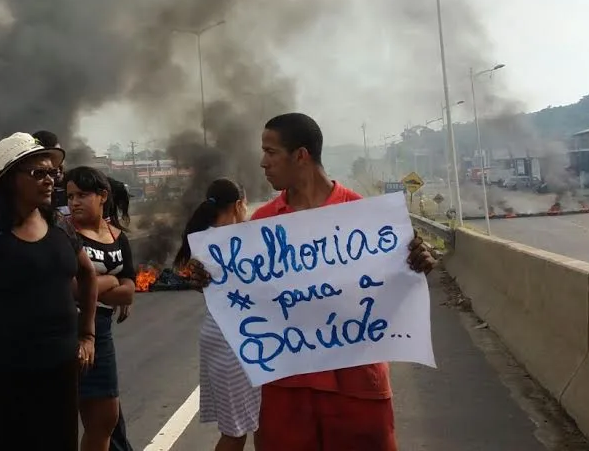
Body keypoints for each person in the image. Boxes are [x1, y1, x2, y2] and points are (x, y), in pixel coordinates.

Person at [252, 113, 437, 451]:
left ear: (301, 156)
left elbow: (391, 295)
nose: (263, 163)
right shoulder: (262, 223)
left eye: (271, 152)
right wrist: (214, 279)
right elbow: (251, 298)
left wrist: (414, 267)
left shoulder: (365, 218)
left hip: (356, 383)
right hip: (287, 385)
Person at [0, 132, 99, 451]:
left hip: (60, 373)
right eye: (38, 173)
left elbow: (88, 275)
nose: (50, 181)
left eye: (52, 173)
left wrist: (87, 335)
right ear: (9, 180)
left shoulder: (59, 224)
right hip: (5, 377)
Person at [174, 179, 261, 451]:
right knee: (237, 431)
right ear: (238, 205)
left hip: (219, 335)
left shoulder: (204, 240)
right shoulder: (235, 242)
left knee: (237, 427)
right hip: (234, 341)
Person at [65, 166, 137, 451]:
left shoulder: (118, 237)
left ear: (102, 196)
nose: (74, 202)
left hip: (102, 332)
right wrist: (110, 279)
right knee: (64, 419)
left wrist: (94, 284)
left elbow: (130, 291)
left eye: (82, 195)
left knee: (105, 418)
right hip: (69, 331)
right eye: (70, 196)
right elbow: (73, 289)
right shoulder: (65, 233)